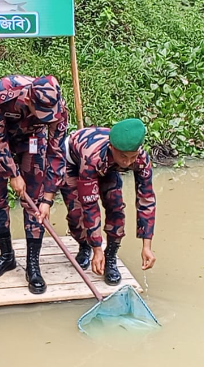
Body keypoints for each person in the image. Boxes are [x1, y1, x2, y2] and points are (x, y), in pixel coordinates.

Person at [0, 75, 68, 294]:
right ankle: (6, 256)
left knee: (35, 203)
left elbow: (56, 153)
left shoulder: (58, 107)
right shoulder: (5, 93)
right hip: (0, 143)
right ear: (29, 99)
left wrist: (48, 198)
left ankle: (33, 265)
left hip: (32, 142)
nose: (49, 117)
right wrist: (12, 173)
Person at [58, 118, 157, 285]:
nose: (127, 162)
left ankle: (111, 255)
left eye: (132, 157)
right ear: (112, 148)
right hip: (74, 162)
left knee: (116, 207)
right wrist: (96, 248)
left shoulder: (140, 159)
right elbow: (90, 206)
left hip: (109, 165)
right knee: (77, 213)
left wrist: (146, 245)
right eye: (123, 156)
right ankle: (84, 246)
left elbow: (146, 200)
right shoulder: (92, 159)